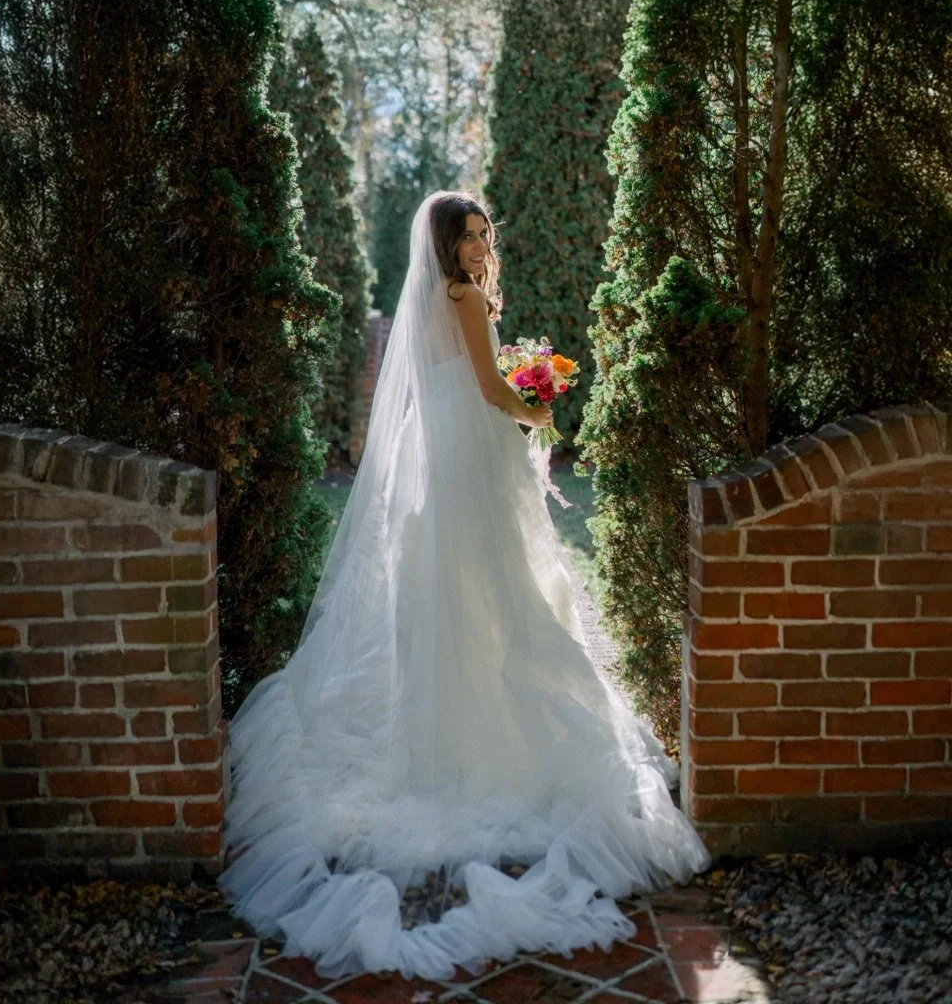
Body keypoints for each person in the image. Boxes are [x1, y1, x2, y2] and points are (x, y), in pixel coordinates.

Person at [218, 190, 710, 982]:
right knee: (500, 587)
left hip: (440, 457)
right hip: (473, 454)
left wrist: (521, 393)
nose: (482, 246)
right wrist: (539, 411)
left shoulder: (433, 299)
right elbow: (488, 389)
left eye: (486, 233)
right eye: (470, 236)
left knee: (453, 590)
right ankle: (495, 723)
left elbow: (454, 381)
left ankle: (448, 713)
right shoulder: (465, 297)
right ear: (446, 245)